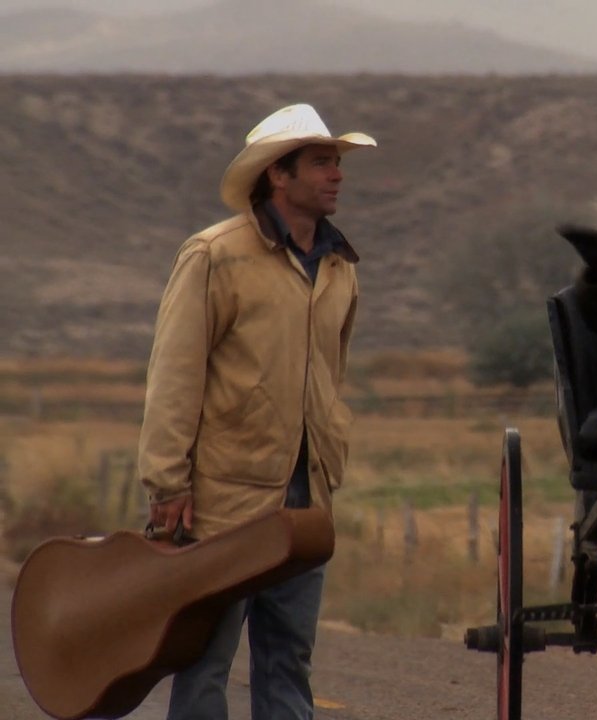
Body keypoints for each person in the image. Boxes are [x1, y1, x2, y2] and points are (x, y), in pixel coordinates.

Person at [137, 103, 375, 720]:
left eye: (336, 162)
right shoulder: (214, 254)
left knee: (289, 661)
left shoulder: (340, 266)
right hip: (224, 501)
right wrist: (167, 482)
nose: (336, 174)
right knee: (204, 662)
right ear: (278, 174)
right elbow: (175, 373)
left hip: (306, 499)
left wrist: (330, 459)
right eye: (320, 162)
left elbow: (331, 377)